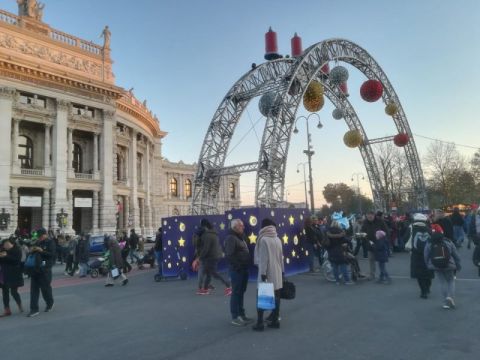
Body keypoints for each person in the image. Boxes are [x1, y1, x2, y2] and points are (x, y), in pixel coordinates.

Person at [253, 218, 284, 331]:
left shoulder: (263, 239)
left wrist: (262, 274)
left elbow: (263, 259)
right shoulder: (277, 238)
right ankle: (275, 320)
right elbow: (281, 257)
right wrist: (283, 271)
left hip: (267, 272)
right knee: (276, 296)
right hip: (278, 271)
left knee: (262, 296)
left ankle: (260, 323)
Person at [225, 219, 253, 326]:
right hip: (237, 270)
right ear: (235, 227)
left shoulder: (241, 237)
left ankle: (242, 314)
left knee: (241, 292)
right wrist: (238, 266)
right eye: (241, 226)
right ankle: (235, 316)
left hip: (243, 269)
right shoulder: (231, 238)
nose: (243, 227)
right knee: (236, 293)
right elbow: (229, 255)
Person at [424, 229, 461, 309]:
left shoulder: (429, 243)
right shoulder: (448, 242)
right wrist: (458, 264)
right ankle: (450, 297)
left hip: (436, 265)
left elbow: (426, 255)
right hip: (448, 264)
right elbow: (455, 254)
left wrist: (428, 264)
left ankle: (445, 301)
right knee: (450, 281)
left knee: (442, 282)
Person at [197, 219, 231, 295]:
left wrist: (200, 257)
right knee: (209, 273)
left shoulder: (207, 235)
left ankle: (228, 285)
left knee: (214, 273)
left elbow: (206, 248)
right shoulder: (213, 233)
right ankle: (205, 289)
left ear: (204, 226)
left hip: (211, 257)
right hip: (216, 255)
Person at [27, 228, 55, 317]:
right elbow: (31, 253)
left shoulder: (50, 242)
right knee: (33, 290)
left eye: (41, 236)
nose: (39, 238)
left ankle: (50, 303)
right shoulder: (37, 242)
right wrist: (32, 250)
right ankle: (34, 309)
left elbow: (52, 255)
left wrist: (42, 250)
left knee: (45, 289)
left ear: (45, 235)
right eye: (38, 236)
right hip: (35, 269)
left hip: (45, 269)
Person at [408, 214, 434, 299]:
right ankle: (428, 287)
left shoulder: (411, 228)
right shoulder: (429, 229)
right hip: (428, 254)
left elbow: (404, 238)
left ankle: (423, 291)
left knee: (419, 274)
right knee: (428, 272)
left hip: (416, 254)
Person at [361, 210, 388, 280]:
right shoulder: (365, 222)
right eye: (368, 215)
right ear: (366, 216)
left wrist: (383, 240)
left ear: (374, 215)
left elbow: (386, 231)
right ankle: (372, 275)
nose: (369, 217)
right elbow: (362, 231)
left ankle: (383, 275)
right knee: (371, 260)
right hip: (370, 243)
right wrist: (362, 236)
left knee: (381, 261)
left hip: (379, 244)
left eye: (371, 215)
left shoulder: (380, 221)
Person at [0, 238, 24, 316]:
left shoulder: (17, 250)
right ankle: (7, 310)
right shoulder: (2, 251)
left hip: (14, 274)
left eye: (7, 244)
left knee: (14, 292)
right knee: (5, 292)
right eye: (4, 244)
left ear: (12, 244)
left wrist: (6, 256)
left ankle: (20, 305)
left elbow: (16, 261)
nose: (5, 246)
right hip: (4, 274)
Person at [325, 221, 354, 285]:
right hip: (340, 251)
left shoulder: (328, 232)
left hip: (331, 252)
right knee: (343, 266)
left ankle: (337, 281)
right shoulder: (340, 232)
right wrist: (349, 240)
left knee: (335, 267)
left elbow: (325, 242)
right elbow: (346, 240)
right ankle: (347, 281)